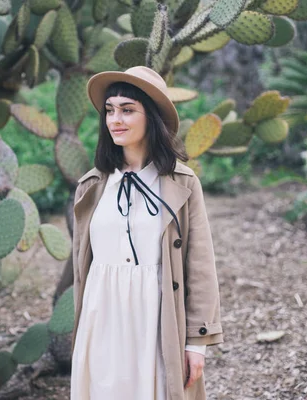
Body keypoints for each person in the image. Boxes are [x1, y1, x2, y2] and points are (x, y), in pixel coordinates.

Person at [70, 66, 223, 400]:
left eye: (127, 110)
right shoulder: (91, 187)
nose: (115, 119)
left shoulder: (181, 183)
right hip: (101, 319)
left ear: (151, 117)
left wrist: (197, 342)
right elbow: (83, 272)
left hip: (156, 317)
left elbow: (200, 265)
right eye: (110, 110)